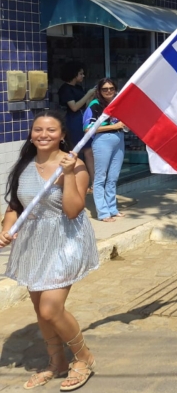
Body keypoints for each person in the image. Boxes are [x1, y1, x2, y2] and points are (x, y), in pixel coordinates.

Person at [1, 111, 99, 391]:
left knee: (50, 308)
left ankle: (83, 358)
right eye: (38, 130)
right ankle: (55, 362)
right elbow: (15, 207)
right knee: (38, 308)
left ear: (63, 135)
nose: (43, 135)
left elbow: (72, 211)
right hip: (33, 242)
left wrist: (67, 174)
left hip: (66, 240)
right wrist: (6, 230)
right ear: (31, 134)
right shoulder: (24, 165)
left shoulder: (75, 165)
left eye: (51, 130)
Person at [86, 79, 126, 222]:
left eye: (111, 88)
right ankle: (103, 213)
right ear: (99, 91)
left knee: (113, 177)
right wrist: (113, 127)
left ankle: (112, 209)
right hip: (103, 140)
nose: (108, 91)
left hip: (119, 139)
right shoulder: (95, 105)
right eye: (105, 89)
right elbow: (87, 129)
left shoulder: (118, 103)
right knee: (100, 177)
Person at [58, 63, 96, 188]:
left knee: (89, 151)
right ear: (74, 75)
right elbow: (74, 107)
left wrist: (91, 96)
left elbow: (85, 105)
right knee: (76, 151)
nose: (83, 76)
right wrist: (88, 94)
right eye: (80, 73)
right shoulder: (65, 89)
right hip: (73, 121)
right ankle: (76, 182)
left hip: (83, 119)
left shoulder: (79, 88)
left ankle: (94, 182)